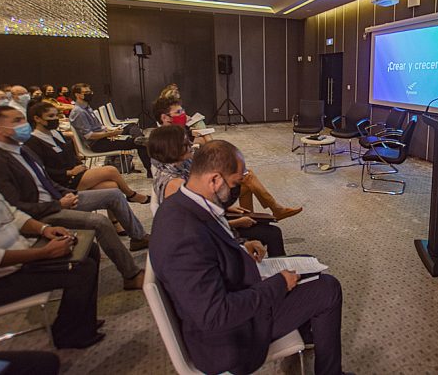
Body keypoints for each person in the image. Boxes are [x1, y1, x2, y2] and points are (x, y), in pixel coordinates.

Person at [150, 140, 345, 375]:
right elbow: (214, 316)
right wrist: (279, 284)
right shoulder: (183, 238)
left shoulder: (183, 204)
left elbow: (212, 249)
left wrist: (241, 246)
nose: (237, 189)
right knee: (328, 288)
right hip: (232, 338)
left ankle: (303, 327)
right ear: (214, 180)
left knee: (307, 263)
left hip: (235, 294)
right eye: (235, 183)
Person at [0, 106, 147, 289]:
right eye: (16, 121)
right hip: (41, 214)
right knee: (99, 222)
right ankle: (131, 274)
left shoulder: (22, 150)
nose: (24, 124)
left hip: (57, 199)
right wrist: (58, 203)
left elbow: (45, 181)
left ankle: (138, 237)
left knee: (113, 193)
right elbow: (15, 208)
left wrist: (65, 193)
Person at [0, 137, 105, 349]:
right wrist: (43, 253)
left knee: (87, 247)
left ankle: (78, 323)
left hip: (17, 251)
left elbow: (12, 213)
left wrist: (44, 229)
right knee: (81, 270)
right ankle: (70, 333)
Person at [153, 97, 302, 221]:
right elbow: (196, 213)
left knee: (244, 178)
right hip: (204, 193)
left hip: (202, 186)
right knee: (246, 176)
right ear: (165, 117)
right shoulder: (165, 147)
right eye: (179, 112)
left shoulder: (174, 135)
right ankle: (273, 210)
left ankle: (255, 216)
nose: (184, 115)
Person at [148, 125, 285, 256]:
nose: (190, 144)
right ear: (172, 148)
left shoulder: (177, 167)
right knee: (272, 233)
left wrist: (225, 210)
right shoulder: (175, 184)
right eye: (185, 142)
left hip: (213, 223)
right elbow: (199, 227)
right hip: (210, 239)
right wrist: (236, 223)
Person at [25, 102, 149, 203]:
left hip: (76, 172)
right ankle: (132, 195)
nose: (55, 119)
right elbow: (41, 170)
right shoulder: (33, 142)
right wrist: (69, 172)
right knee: (110, 170)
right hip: (63, 180)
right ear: (37, 119)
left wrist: (78, 164)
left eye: (56, 116)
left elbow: (68, 155)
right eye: (51, 117)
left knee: (112, 187)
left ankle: (116, 224)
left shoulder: (56, 133)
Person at [69, 83, 152, 177]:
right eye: (86, 92)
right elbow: (89, 135)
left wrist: (109, 132)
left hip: (104, 137)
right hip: (97, 143)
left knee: (132, 126)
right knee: (140, 144)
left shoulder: (87, 108)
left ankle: (139, 138)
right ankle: (150, 170)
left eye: (90, 92)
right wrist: (109, 134)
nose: (90, 94)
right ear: (77, 95)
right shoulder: (78, 112)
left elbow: (99, 127)